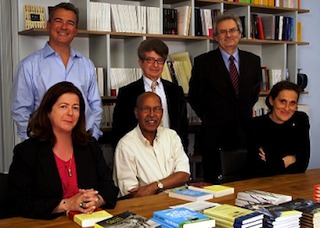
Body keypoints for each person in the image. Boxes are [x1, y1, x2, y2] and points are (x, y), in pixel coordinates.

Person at [7, 82, 119, 219]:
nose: (70, 113)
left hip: (88, 221)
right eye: (63, 106)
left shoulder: (90, 146)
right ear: (48, 111)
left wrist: (96, 200)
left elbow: (110, 189)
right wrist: (67, 204)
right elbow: (18, 202)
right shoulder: (27, 152)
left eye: (75, 108)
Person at [11, 2, 102, 140]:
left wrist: (92, 136)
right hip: (44, 144)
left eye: (70, 23)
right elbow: (21, 111)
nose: (64, 27)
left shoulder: (86, 65)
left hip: (83, 142)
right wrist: (35, 143)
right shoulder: (28, 65)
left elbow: (95, 105)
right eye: (58, 21)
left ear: (76, 30)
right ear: (48, 25)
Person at [188, 13, 262, 184]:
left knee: (245, 184)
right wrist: (212, 117)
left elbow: (253, 93)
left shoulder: (253, 61)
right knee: (216, 188)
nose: (228, 35)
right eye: (222, 32)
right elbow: (195, 97)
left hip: (244, 134)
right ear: (215, 37)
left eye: (232, 30)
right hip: (214, 136)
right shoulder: (203, 62)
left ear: (239, 33)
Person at [111, 38, 188, 151]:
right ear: (140, 62)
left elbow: (183, 128)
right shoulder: (127, 93)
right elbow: (119, 130)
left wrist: (182, 152)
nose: (155, 65)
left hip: (170, 152)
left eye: (160, 60)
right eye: (150, 60)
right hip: (139, 153)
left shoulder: (176, 91)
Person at [113, 92, 190, 198]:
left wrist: (153, 187)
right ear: (136, 113)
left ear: (162, 113)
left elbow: (184, 175)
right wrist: (170, 183)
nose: (152, 114)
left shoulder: (171, 136)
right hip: (150, 205)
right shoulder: (126, 145)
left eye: (157, 109)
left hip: (181, 200)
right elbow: (132, 194)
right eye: (146, 109)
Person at [246, 81, 310, 177]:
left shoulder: (300, 120)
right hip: (263, 186)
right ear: (272, 100)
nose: (287, 108)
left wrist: (271, 160)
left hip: (293, 184)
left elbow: (302, 165)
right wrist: (288, 160)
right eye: (282, 102)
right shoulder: (256, 125)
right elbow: (259, 170)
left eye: (292, 103)